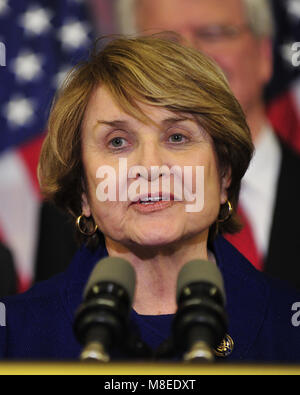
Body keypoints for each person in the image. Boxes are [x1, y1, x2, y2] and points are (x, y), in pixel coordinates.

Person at [0, 36, 299, 362]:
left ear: (224, 174)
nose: (150, 166)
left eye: (177, 136)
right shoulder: (13, 339)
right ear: (84, 190)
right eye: (117, 142)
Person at [114, 0, 300, 290]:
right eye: (165, 43)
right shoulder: (86, 211)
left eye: (214, 33)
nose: (191, 57)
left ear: (264, 54)